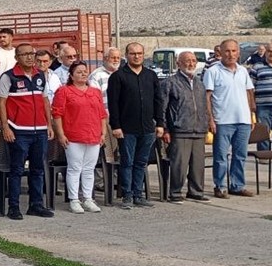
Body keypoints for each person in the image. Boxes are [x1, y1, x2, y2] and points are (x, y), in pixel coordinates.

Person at [0, 42, 54, 220]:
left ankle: (36, 205)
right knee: (17, 170)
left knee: (38, 169)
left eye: (32, 53)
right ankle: (13, 207)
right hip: (19, 131)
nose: (30, 57)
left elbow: (45, 101)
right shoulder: (9, 77)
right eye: (24, 54)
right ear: (16, 58)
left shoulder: (40, 76)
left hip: (40, 131)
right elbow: (1, 102)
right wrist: (5, 127)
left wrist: (49, 125)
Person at [107, 43, 164, 210]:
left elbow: (158, 100)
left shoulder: (151, 75)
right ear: (127, 55)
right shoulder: (118, 77)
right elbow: (113, 104)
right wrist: (116, 126)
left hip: (147, 128)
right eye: (133, 54)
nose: (136, 56)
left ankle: (139, 195)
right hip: (126, 128)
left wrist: (160, 123)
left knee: (141, 162)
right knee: (127, 162)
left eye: (139, 53)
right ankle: (127, 195)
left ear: (143, 54)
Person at [50, 61, 107, 213]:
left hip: (93, 135)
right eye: (79, 72)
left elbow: (102, 114)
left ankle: (88, 198)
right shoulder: (64, 91)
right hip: (73, 135)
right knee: (75, 168)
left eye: (84, 71)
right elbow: (57, 114)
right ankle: (74, 199)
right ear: (71, 75)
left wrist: (103, 133)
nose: (83, 74)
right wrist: (60, 134)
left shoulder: (95, 92)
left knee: (89, 168)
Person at [204, 39, 255, 199]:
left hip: (243, 120)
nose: (230, 54)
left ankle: (237, 185)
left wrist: (252, 116)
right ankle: (220, 186)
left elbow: (249, 94)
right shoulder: (213, 71)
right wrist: (210, 119)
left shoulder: (243, 71)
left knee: (240, 155)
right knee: (221, 156)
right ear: (220, 52)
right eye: (227, 51)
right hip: (223, 121)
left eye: (234, 51)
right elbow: (207, 97)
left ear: (238, 53)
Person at [159, 50, 211, 203]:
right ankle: (175, 193)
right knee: (179, 165)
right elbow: (163, 107)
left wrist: (207, 123)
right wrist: (165, 128)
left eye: (193, 61)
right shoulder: (170, 82)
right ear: (178, 63)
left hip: (199, 130)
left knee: (198, 165)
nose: (191, 64)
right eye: (187, 60)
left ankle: (196, 191)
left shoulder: (199, 83)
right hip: (180, 130)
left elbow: (204, 106)